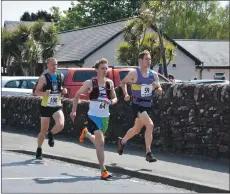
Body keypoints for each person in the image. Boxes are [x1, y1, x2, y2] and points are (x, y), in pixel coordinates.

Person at [70, 58, 118, 180]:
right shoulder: (90, 83)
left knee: (99, 143)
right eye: (102, 68)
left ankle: (86, 133)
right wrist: (73, 110)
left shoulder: (109, 83)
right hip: (93, 116)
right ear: (96, 69)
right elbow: (76, 95)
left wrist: (111, 101)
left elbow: (115, 98)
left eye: (106, 68)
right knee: (101, 143)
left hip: (105, 117)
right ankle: (103, 171)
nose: (105, 70)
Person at [117, 50, 163, 162]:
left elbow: (160, 92)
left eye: (150, 59)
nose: (149, 61)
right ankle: (148, 153)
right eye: (147, 59)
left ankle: (122, 141)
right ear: (141, 60)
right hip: (137, 104)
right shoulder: (134, 73)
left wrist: (157, 87)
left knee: (136, 130)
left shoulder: (154, 75)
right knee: (150, 125)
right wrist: (126, 94)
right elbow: (122, 83)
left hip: (148, 105)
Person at [34, 57, 67, 159]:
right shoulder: (44, 77)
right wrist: (44, 93)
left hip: (56, 105)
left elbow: (61, 89)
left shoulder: (60, 76)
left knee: (61, 125)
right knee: (43, 130)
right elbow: (36, 92)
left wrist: (64, 91)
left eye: (56, 64)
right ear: (48, 65)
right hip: (46, 106)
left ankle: (51, 134)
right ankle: (39, 148)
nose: (55, 67)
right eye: (52, 64)